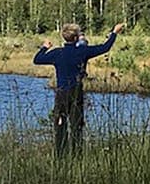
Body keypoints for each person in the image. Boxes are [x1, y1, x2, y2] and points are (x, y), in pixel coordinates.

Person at [34, 22, 124, 156]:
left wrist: (44, 47)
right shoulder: (82, 51)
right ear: (76, 38)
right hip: (76, 92)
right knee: (76, 125)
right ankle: (76, 155)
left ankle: (60, 155)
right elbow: (105, 47)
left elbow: (37, 59)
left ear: (64, 37)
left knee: (60, 124)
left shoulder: (57, 53)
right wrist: (114, 32)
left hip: (61, 93)